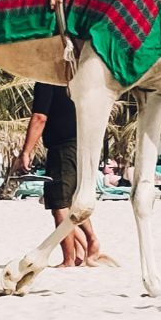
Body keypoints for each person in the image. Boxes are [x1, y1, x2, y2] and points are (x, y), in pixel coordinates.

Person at [19, 84, 108, 267]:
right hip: (83, 143)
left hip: (62, 146)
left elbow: (39, 118)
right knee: (74, 200)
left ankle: (69, 259)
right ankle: (88, 244)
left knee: (60, 204)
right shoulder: (75, 79)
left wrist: (26, 151)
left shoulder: (47, 82)